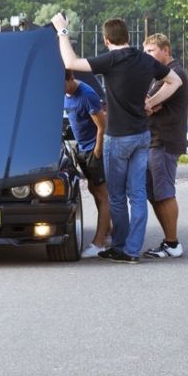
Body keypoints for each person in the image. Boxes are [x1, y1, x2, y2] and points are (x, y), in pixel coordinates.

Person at [52, 13, 182, 264]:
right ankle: (133, 250)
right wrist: (152, 102)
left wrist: (62, 31)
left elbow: (70, 61)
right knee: (137, 194)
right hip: (142, 135)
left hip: (117, 137)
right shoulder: (145, 60)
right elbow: (174, 81)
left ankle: (120, 246)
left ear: (106, 40)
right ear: (129, 37)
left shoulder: (110, 60)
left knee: (117, 195)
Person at [142, 34, 188, 258]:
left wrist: (149, 103)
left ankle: (173, 243)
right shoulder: (161, 75)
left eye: (151, 51)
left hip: (164, 141)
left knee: (164, 193)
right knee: (154, 193)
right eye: (145, 52)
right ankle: (168, 242)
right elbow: (148, 103)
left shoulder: (173, 74)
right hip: (156, 140)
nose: (147, 56)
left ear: (165, 50)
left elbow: (145, 102)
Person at [64, 70, 112, 258]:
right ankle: (108, 231)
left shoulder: (87, 95)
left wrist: (97, 151)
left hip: (93, 149)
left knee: (102, 194)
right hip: (82, 149)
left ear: (71, 78)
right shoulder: (65, 93)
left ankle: (98, 243)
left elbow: (102, 126)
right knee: (93, 189)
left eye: (63, 84)